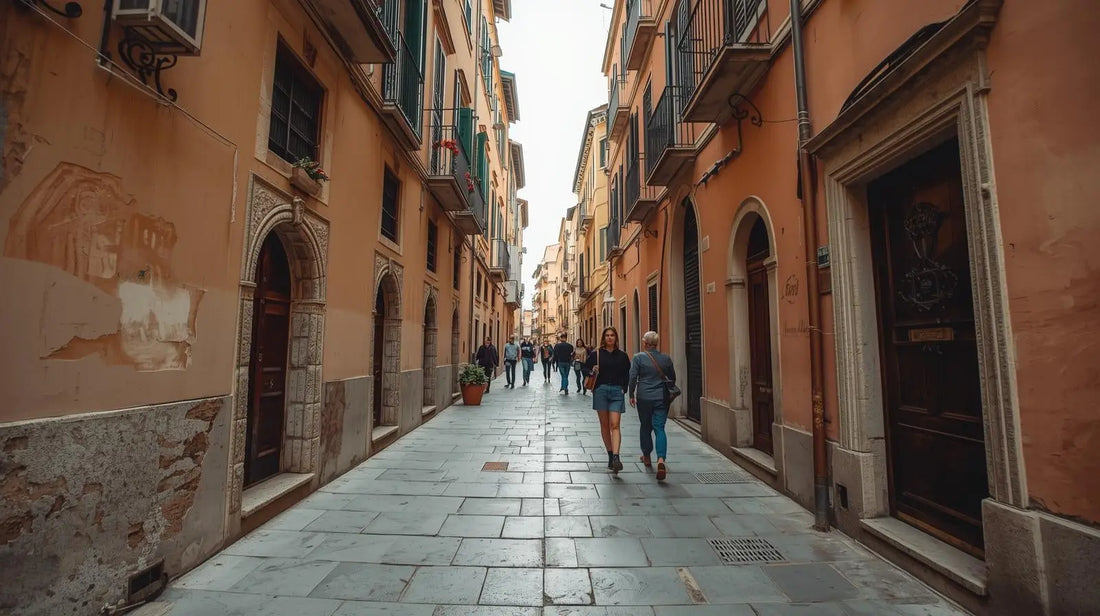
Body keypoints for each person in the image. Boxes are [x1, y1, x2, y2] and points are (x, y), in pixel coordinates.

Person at [629, 331, 677, 481]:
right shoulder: (666, 359)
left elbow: (632, 377)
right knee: (659, 428)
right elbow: (672, 379)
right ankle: (661, 459)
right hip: (661, 398)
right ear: (656, 343)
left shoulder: (638, 358)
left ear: (645, 343)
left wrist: (631, 394)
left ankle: (647, 456)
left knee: (645, 426)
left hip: (644, 397)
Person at [584, 327, 631, 473]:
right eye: (607, 336)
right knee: (605, 425)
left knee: (615, 424)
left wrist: (624, 388)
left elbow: (626, 373)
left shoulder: (622, 356)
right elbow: (584, 369)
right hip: (601, 391)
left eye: (612, 335)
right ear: (603, 338)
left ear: (616, 338)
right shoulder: (596, 354)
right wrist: (592, 371)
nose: (609, 338)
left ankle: (616, 456)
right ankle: (610, 455)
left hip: (617, 392)